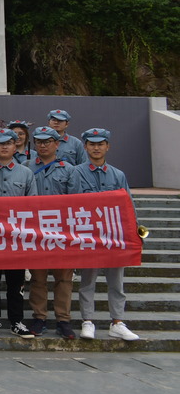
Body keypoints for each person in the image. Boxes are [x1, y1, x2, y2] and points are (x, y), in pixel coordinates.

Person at [71, 128, 139, 341]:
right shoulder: (76, 172)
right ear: (85, 147)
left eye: (100, 144)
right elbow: (71, 203)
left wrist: (134, 231)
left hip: (114, 236)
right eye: (92, 144)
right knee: (87, 281)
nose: (96, 148)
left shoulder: (118, 175)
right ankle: (87, 321)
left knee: (116, 282)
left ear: (107, 146)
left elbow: (128, 205)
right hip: (89, 235)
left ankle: (117, 322)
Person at [0, 128, 38, 339]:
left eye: (9, 143)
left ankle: (16, 321)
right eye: (0, 143)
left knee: (16, 282)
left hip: (16, 237)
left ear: (16, 146)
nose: (4, 147)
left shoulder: (26, 173)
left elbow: (33, 205)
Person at [26, 125, 77, 339]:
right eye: (39, 141)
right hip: (35, 231)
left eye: (47, 141)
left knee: (63, 278)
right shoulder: (26, 167)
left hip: (61, 232)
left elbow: (76, 202)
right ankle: (39, 317)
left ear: (57, 144)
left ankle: (63, 319)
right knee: (38, 278)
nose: (43, 145)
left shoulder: (69, 170)